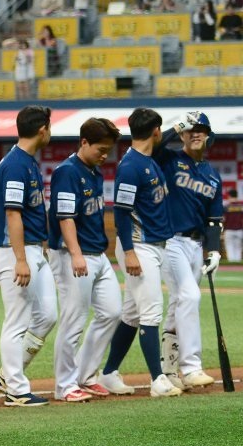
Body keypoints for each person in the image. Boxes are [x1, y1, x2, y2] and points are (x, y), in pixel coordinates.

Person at [97, 107, 183, 398]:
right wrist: (130, 252)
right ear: (155, 131)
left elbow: (160, 140)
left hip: (152, 245)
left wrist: (177, 127)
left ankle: (109, 373)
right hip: (139, 246)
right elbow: (121, 212)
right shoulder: (131, 166)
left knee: (132, 315)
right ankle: (158, 380)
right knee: (151, 311)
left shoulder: (146, 158)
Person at [47, 118, 123, 403]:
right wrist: (76, 253)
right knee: (73, 319)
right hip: (72, 254)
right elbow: (65, 216)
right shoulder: (67, 172)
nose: (105, 155)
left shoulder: (95, 171)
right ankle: (64, 385)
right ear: (84, 142)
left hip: (97, 254)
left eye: (108, 150)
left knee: (112, 312)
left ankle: (85, 375)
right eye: (101, 149)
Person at [0, 105, 57, 407]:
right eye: (50, 127)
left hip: (31, 249)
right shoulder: (16, 164)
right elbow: (12, 214)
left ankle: (7, 375)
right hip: (14, 251)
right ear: (42, 130)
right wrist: (20, 259)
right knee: (16, 322)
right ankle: (16, 389)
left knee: (47, 315)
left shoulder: (27, 161)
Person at [157, 112, 221, 391]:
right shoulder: (169, 160)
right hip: (171, 241)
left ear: (208, 135)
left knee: (177, 306)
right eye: (190, 130)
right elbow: (152, 146)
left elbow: (214, 219)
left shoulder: (212, 174)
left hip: (196, 245)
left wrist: (214, 251)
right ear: (183, 134)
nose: (196, 133)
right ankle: (191, 367)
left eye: (201, 129)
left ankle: (169, 371)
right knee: (190, 296)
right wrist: (176, 126)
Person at [225, 189, 243, 262]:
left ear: (229, 196)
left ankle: (231, 264)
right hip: (239, 230)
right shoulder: (241, 206)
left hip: (229, 230)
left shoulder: (226, 206)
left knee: (230, 247)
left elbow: (223, 219)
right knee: (238, 248)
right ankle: (237, 265)